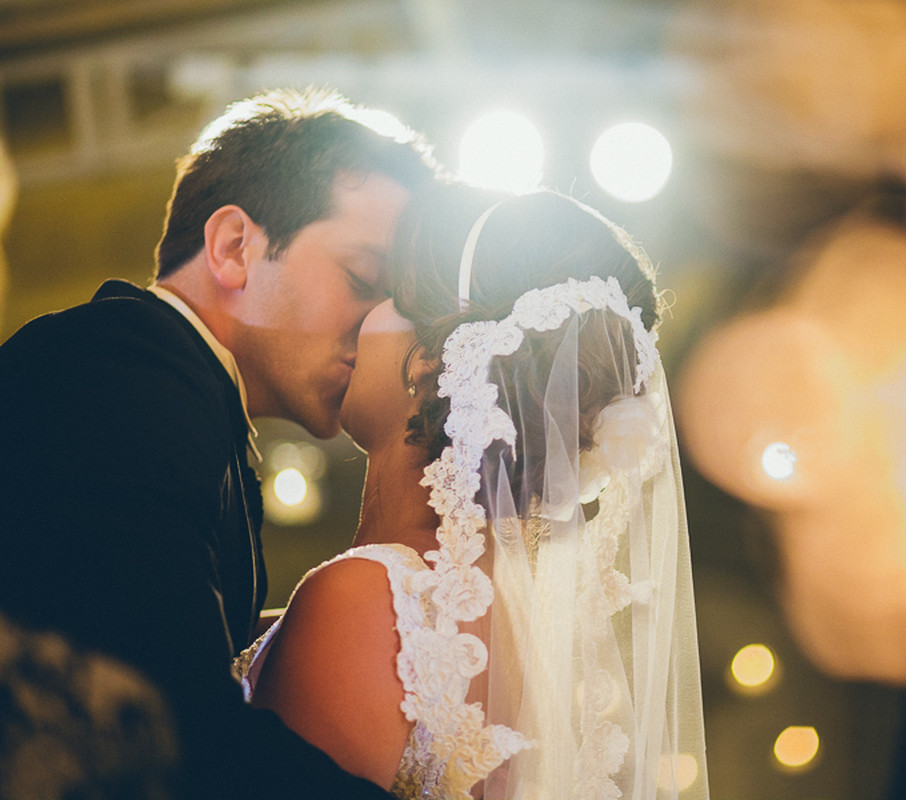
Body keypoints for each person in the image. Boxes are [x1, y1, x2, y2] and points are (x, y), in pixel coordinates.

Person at [0, 87, 439, 799]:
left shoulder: (180, 395)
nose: (379, 327)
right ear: (235, 247)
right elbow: (165, 721)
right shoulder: (118, 376)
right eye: (363, 278)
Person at [235, 187, 710, 799]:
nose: (355, 318)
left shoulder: (368, 601)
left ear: (434, 358)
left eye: (382, 291)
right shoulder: (518, 622)